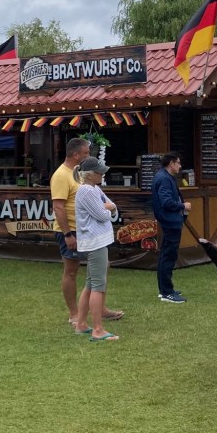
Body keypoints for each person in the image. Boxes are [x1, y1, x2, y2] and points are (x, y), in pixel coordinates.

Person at [52, 138, 122, 325]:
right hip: (71, 230)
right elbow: (58, 207)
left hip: (88, 231)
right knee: (71, 271)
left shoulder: (83, 177)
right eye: (86, 153)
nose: (89, 156)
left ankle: (100, 307)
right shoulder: (61, 175)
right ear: (76, 155)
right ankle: (74, 313)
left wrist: (106, 207)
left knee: (100, 268)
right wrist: (67, 234)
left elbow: (102, 203)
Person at [72, 157, 120, 342]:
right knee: (98, 286)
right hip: (95, 242)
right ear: (89, 175)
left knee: (91, 284)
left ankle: (81, 324)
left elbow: (111, 206)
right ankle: (98, 330)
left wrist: (109, 207)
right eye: (99, 172)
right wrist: (109, 208)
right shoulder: (86, 190)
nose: (102, 174)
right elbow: (102, 214)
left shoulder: (94, 188)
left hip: (97, 241)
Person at [152, 152, 191, 303]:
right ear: (171, 163)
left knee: (166, 255)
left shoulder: (165, 176)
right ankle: (167, 292)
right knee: (168, 256)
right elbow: (166, 202)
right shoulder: (164, 178)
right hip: (170, 221)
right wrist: (183, 205)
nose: (180, 166)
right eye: (178, 163)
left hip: (169, 220)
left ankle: (164, 289)